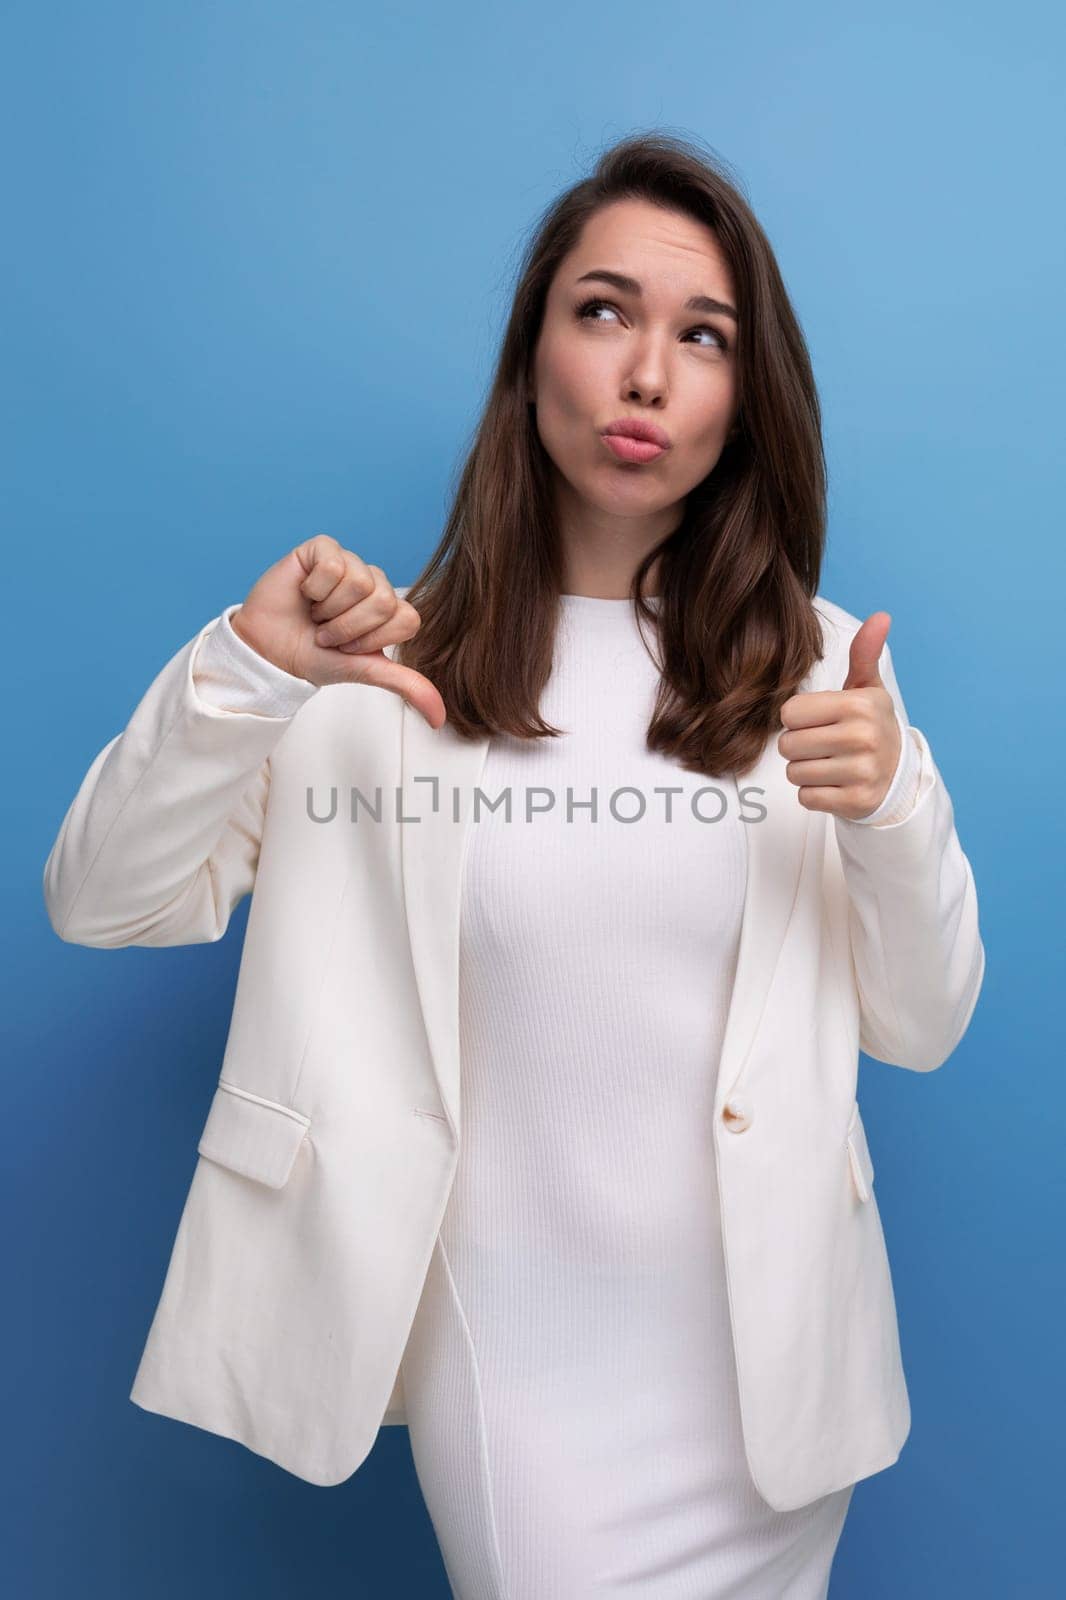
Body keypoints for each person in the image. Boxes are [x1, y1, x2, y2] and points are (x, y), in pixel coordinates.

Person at [43, 132, 984, 1598]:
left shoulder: (814, 670)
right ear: (531, 346)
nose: (646, 376)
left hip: (768, 1378)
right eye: (602, 310)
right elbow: (102, 898)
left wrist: (890, 810)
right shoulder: (374, 674)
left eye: (703, 336)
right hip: (521, 1373)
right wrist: (246, 670)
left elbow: (922, 1024)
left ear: (747, 398)